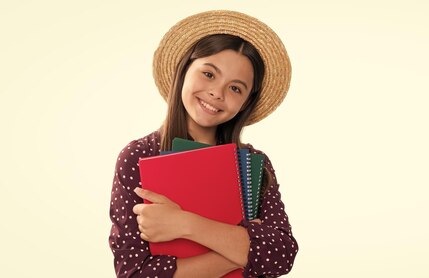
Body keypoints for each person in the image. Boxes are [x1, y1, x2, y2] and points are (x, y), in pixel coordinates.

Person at [108, 10, 298, 278]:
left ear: (245, 102)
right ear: (184, 69)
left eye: (235, 88)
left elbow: (281, 256)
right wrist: (240, 247)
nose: (217, 93)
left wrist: (184, 224)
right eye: (209, 74)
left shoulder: (254, 163)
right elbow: (134, 273)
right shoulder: (138, 156)